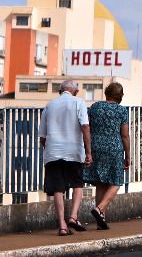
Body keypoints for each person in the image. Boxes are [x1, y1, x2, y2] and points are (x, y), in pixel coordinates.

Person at [39, 80, 93, 236]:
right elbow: (85, 127)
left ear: (60, 91)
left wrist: (49, 150)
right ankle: (73, 217)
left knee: (58, 188)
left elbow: (42, 137)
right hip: (74, 151)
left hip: (53, 152)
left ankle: (62, 225)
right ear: (75, 91)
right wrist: (88, 152)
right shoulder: (79, 102)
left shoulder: (49, 105)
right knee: (77, 184)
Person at [83, 82, 131, 230]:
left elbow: (88, 127)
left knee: (101, 182)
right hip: (113, 148)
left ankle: (101, 220)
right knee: (116, 181)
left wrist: (88, 150)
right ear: (120, 96)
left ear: (106, 93)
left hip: (96, 146)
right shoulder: (121, 111)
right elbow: (124, 135)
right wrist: (128, 155)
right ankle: (99, 209)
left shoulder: (95, 107)